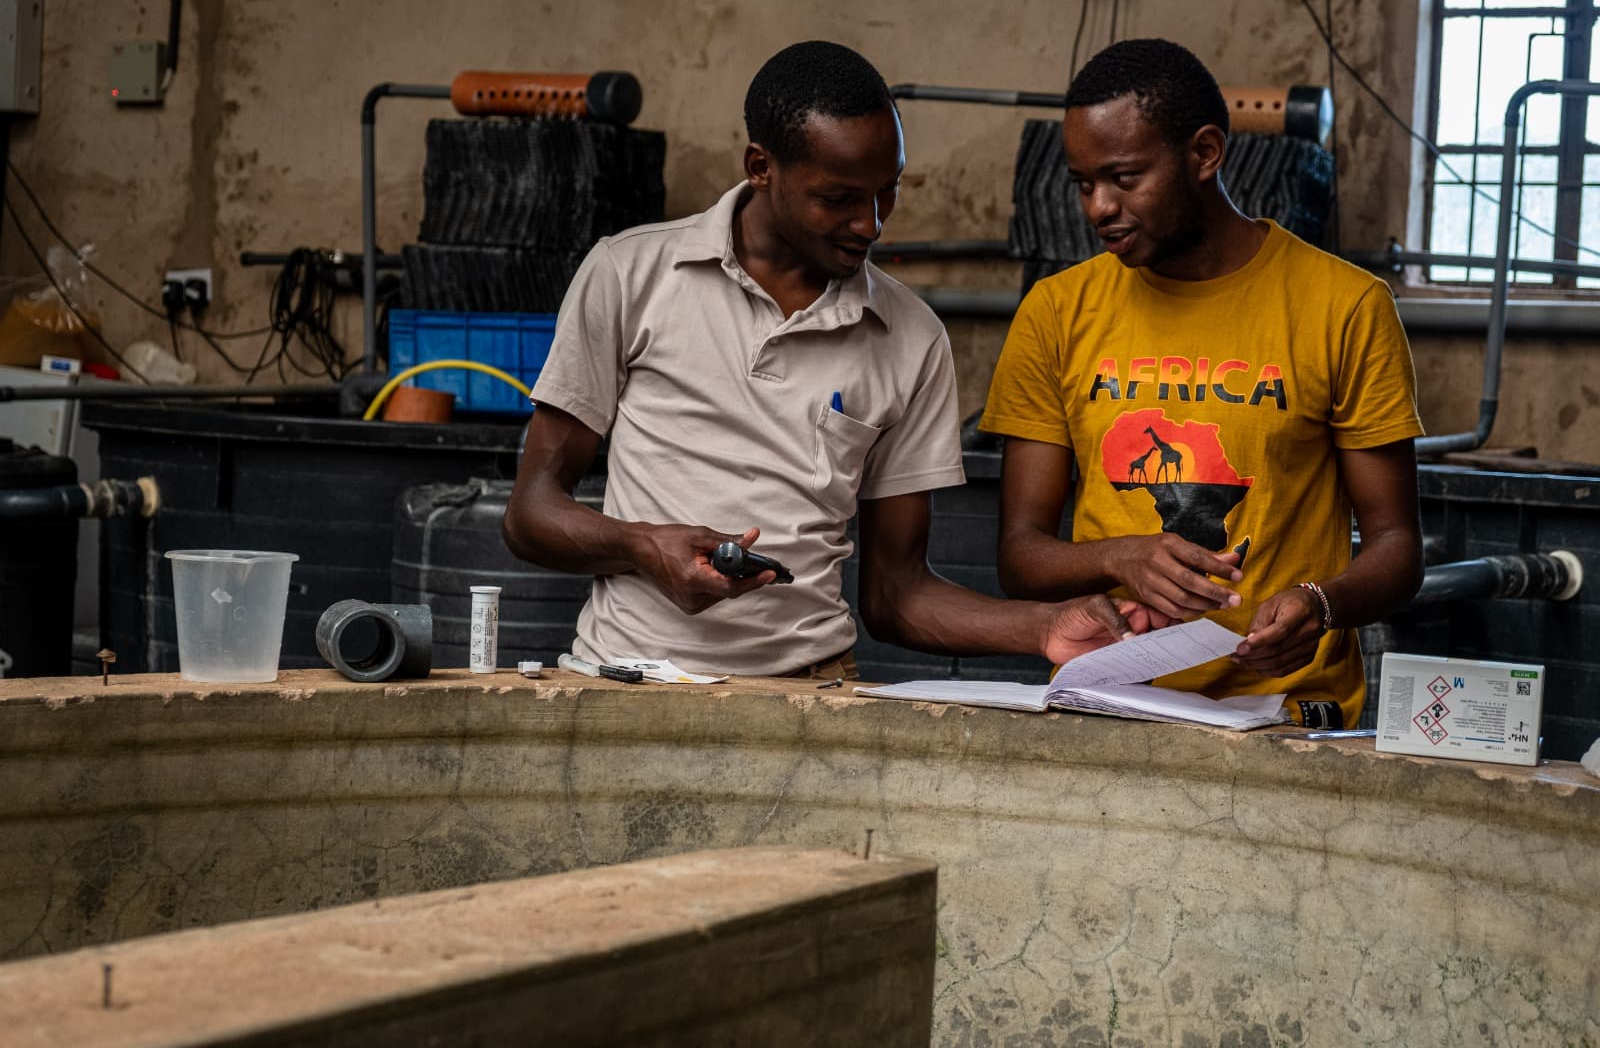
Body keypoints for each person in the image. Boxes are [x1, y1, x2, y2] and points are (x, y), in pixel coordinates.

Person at [503, 40, 1161, 680]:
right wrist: (640, 547)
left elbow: (897, 595)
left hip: (812, 691)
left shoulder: (910, 337)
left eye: (888, 191)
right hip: (626, 679)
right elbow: (530, 514)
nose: (872, 223)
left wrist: (1043, 629)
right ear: (761, 167)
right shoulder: (629, 275)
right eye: (839, 197)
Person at [980, 38, 1424, 728]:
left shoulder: (1344, 306)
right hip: (1110, 712)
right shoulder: (1057, 312)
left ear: (1205, 153)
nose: (1098, 207)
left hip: (1288, 720)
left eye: (1124, 178)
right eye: (1082, 183)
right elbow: (1020, 556)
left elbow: (1398, 548)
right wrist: (1120, 556)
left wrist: (1320, 603)